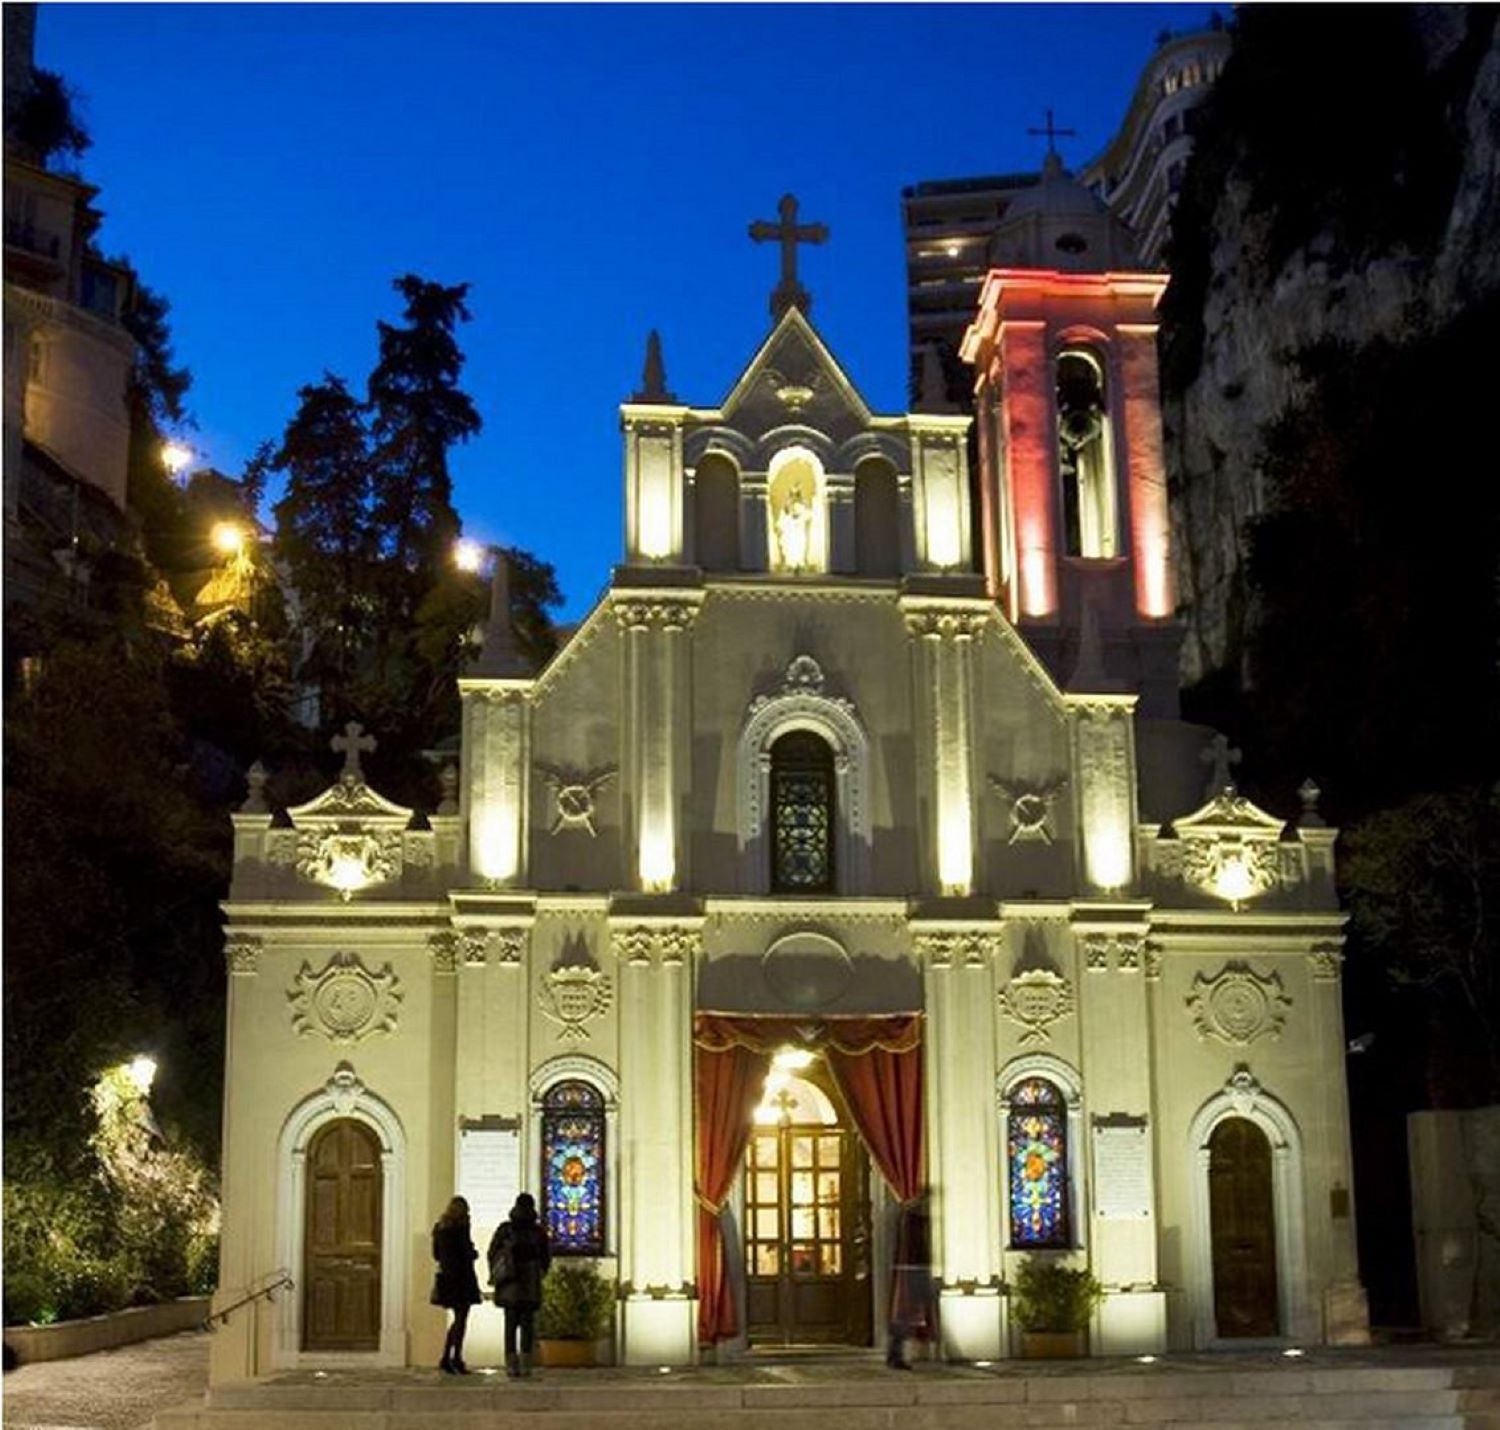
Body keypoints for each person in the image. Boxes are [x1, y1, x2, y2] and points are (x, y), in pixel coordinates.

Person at [488, 1191, 551, 1378]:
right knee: (527, 1325)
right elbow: (546, 1257)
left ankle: (511, 1364)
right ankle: (525, 1365)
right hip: (530, 1282)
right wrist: (539, 1272)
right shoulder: (538, 1231)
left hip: (510, 1283)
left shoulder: (506, 1229)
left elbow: (493, 1252)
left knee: (510, 1324)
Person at [431, 1195, 481, 1374]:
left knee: (457, 1319)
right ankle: (455, 1358)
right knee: (461, 1319)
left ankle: (447, 1358)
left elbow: (436, 1254)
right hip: (462, 1278)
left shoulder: (440, 1227)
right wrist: (474, 1253)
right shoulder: (461, 1227)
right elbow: (466, 1250)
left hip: (447, 1277)